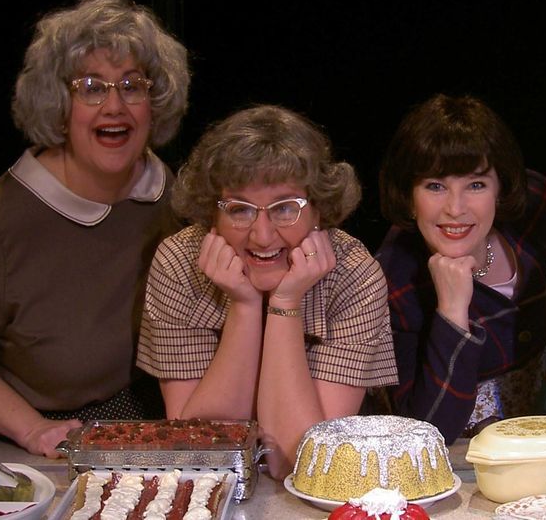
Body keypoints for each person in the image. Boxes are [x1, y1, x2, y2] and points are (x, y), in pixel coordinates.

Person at [0, 0, 190, 458]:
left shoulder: (168, 191)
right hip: (17, 443)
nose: (115, 106)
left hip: (132, 420)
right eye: (92, 87)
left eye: (132, 85)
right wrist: (32, 431)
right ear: (57, 103)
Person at [136, 104, 398, 478]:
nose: (262, 235)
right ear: (213, 212)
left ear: (318, 210)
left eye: (285, 208)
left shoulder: (354, 275)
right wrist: (244, 307)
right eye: (240, 210)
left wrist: (285, 304)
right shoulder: (179, 263)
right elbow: (204, 448)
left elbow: (300, 461)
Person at [375, 94, 546, 444]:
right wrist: (451, 313)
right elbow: (427, 433)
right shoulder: (392, 281)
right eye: (435, 186)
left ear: (500, 188)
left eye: (476, 185)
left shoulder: (534, 206)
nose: (455, 209)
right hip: (461, 462)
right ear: (409, 196)